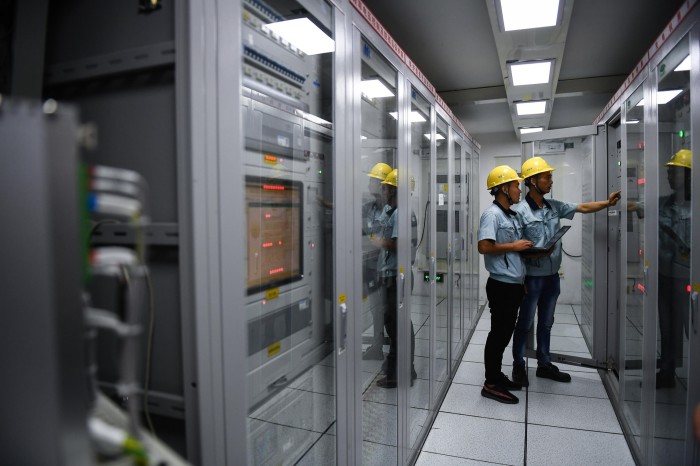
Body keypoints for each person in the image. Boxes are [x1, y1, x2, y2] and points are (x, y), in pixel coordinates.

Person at [511, 156, 620, 387]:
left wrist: (608, 204)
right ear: (532, 181)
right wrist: (530, 256)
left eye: (551, 176)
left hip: (552, 278)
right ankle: (518, 365)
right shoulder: (519, 211)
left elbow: (582, 207)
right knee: (525, 322)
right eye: (547, 177)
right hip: (531, 278)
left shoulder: (554, 206)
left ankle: (544, 364)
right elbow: (514, 247)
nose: (551, 181)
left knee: (547, 322)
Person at [477, 165, 532, 404]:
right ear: (503, 188)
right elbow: (484, 246)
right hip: (501, 286)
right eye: (515, 185)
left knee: (505, 332)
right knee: (499, 334)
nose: (519, 189)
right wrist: (513, 246)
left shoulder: (511, 214)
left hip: (513, 284)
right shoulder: (492, 215)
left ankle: (497, 375)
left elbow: (515, 250)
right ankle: (490, 384)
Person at [373, 169, 417, 388]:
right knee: (400, 324)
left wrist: (378, 242)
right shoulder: (399, 211)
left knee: (396, 326)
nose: (384, 190)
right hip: (397, 274)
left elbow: (398, 244)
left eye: (387, 186)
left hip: (395, 276)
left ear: (395, 189)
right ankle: (406, 370)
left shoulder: (400, 214)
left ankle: (398, 374)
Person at [655, 149, 691, 388]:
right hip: (665, 274)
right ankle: (667, 370)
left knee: (692, 327)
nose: (669, 176)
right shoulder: (663, 204)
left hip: (689, 277)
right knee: (667, 326)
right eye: (668, 171)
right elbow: (636, 206)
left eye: (673, 171)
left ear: (688, 175)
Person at [362, 162, 392, 361]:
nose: (369, 184)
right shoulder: (367, 207)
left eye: (373, 180)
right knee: (375, 309)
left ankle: (394, 353)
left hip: (387, 268)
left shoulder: (393, 210)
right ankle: (377, 345)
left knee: (389, 311)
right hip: (371, 266)